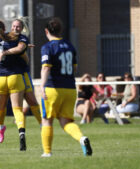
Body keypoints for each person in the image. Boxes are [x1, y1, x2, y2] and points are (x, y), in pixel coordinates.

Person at [40, 17, 92, 157]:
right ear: (60, 30)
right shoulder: (70, 46)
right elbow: (74, 68)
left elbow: (46, 69)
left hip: (53, 88)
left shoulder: (48, 47)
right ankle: (81, 138)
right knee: (66, 122)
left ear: (46, 31)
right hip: (70, 89)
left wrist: (42, 86)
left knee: (47, 120)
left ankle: (47, 152)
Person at [0, 19, 42, 144]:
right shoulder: (6, 37)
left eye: (18, 26)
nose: (15, 28)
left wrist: (21, 50)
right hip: (10, 75)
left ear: (22, 28)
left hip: (21, 73)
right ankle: (1, 128)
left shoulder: (21, 38)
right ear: (9, 27)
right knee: (3, 104)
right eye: (14, 26)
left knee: (31, 100)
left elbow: (22, 53)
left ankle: (42, 125)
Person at [0, 19, 28, 151]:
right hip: (15, 77)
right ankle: (21, 136)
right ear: (6, 28)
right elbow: (19, 48)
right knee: (17, 109)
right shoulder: (14, 40)